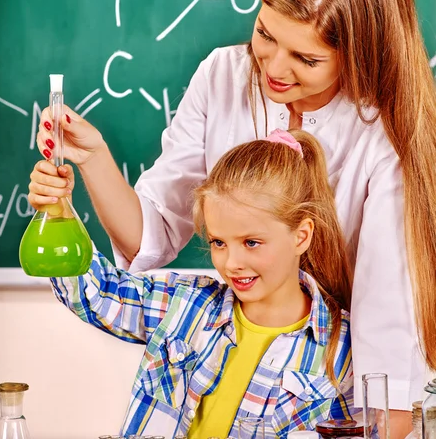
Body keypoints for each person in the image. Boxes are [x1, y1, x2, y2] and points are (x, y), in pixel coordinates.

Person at [29, 0, 436, 437]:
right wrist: (91, 159)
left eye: (306, 59)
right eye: (265, 34)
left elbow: (388, 351)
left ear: (356, 55)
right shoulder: (222, 75)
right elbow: (147, 237)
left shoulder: (383, 140)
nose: (274, 69)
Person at [50, 130, 355, 437]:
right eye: (218, 242)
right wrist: (56, 211)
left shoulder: (341, 349)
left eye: (251, 242)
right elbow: (96, 293)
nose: (231, 263)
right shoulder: (186, 304)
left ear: (301, 236)